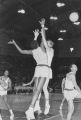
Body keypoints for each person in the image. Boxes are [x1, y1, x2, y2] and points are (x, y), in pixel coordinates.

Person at [8, 25, 50, 120]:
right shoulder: (41, 49)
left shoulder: (33, 51)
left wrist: (14, 43)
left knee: (36, 90)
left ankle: (35, 107)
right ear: (38, 45)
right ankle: (31, 108)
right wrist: (42, 27)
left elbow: (22, 51)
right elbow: (44, 38)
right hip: (43, 69)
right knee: (38, 90)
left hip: (37, 69)